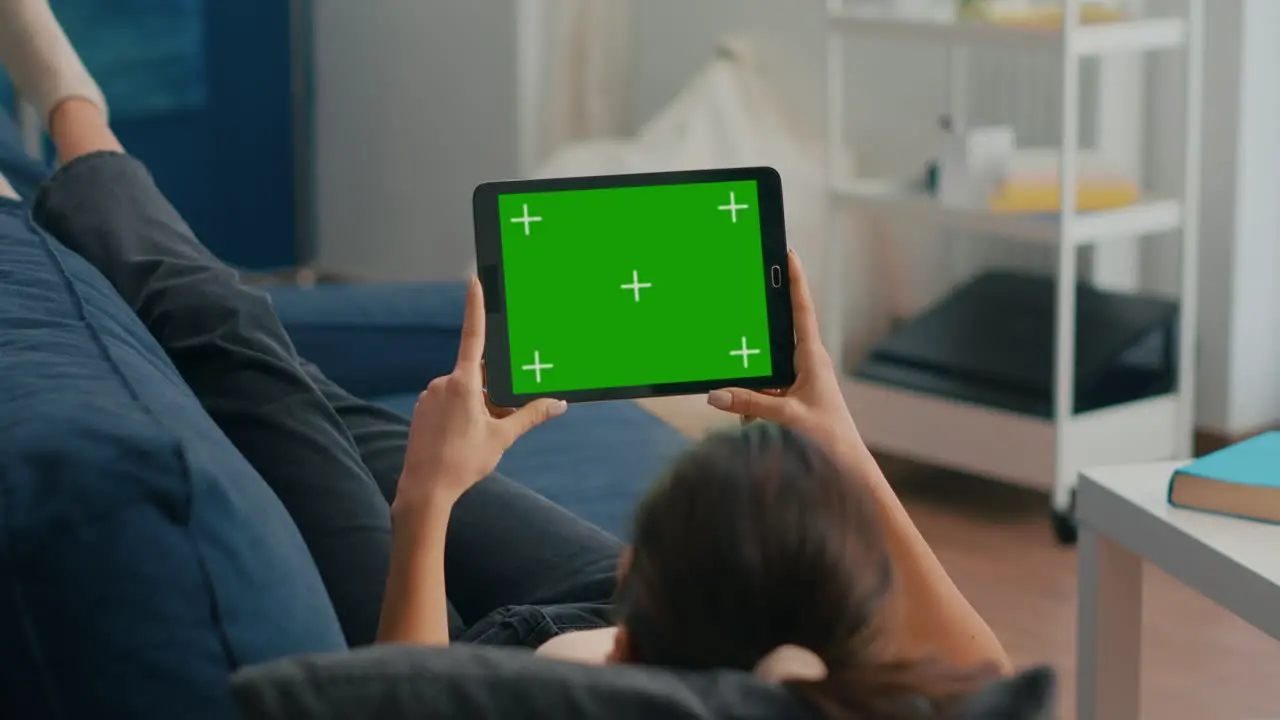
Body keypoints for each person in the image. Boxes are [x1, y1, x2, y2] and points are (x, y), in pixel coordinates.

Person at [0, 0, 620, 650]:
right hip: (649, 609)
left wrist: (427, 502)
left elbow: (416, 696)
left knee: (238, 346)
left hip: (493, 669)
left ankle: (72, 108)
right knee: (307, 391)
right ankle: (71, 119)